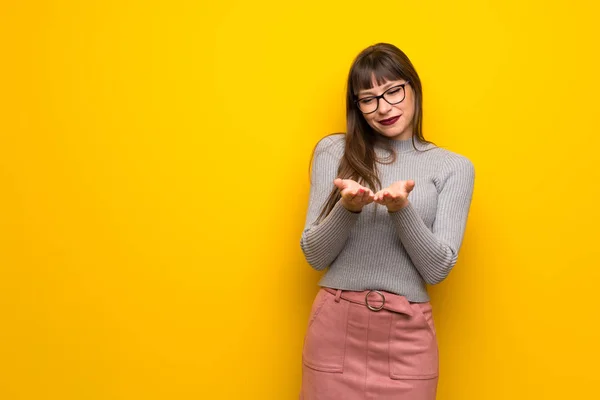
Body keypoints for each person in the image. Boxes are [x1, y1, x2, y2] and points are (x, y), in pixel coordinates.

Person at [298, 43, 475, 400]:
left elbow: (438, 269)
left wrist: (401, 210)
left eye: (393, 91)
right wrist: (347, 208)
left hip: (407, 339)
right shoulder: (335, 151)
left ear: (413, 87)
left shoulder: (453, 167)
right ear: (357, 107)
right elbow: (314, 255)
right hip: (335, 331)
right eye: (369, 99)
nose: (384, 108)